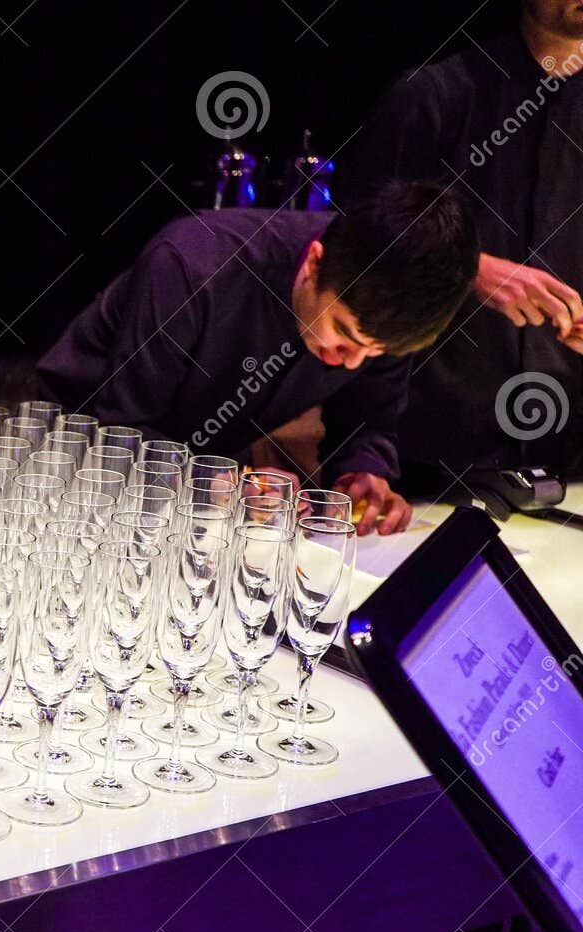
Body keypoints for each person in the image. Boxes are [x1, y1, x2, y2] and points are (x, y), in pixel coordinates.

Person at [36, 180, 479, 534]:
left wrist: (363, 470)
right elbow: (121, 431)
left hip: (204, 491)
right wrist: (216, 482)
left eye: (375, 352)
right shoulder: (194, 265)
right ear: (313, 263)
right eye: (343, 334)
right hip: (65, 466)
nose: (350, 362)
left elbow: (368, 417)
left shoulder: (378, 315)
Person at [340, 0, 583, 483]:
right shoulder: (431, 97)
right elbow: (355, 253)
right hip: (427, 453)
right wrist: (465, 269)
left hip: (569, 460)